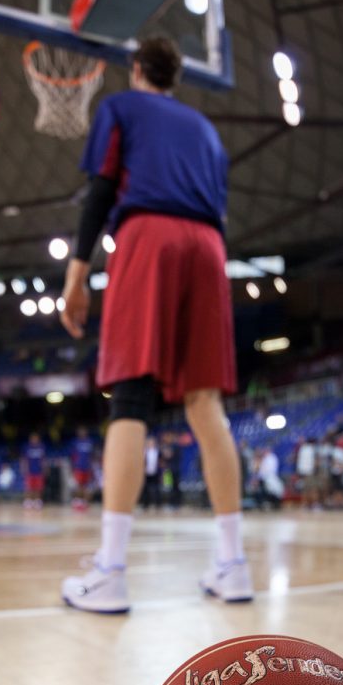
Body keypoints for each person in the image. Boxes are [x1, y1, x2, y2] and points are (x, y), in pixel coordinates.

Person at [59, 36, 253, 612]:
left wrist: (76, 275)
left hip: (150, 236)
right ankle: (233, 565)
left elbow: (100, 192)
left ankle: (111, 570)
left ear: (137, 69)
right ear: (176, 76)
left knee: (132, 396)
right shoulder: (206, 131)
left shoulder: (121, 107)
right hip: (208, 246)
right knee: (205, 402)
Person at [71, 426, 94, 510]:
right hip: (78, 467)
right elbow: (73, 457)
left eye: (83, 430)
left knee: (86, 486)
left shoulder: (89, 442)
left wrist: (91, 466)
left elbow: (91, 456)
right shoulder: (75, 442)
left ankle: (85, 502)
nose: (82, 432)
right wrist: (73, 467)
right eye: (80, 431)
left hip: (87, 467)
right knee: (79, 485)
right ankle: (78, 501)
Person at [22, 432, 46, 510]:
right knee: (29, 488)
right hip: (30, 471)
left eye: (36, 438)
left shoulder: (41, 447)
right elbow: (24, 460)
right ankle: (28, 502)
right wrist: (24, 469)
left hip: (38, 471)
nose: (34, 440)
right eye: (33, 438)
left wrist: (44, 468)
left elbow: (43, 460)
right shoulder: (27, 448)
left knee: (38, 488)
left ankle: (37, 502)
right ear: (30, 439)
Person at [141, 435, 161, 510]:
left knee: (156, 489)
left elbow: (161, 462)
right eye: (149, 442)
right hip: (146, 472)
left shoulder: (158, 451)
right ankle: (145, 505)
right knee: (145, 489)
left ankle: (157, 504)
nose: (151, 444)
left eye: (152, 442)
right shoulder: (144, 452)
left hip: (155, 472)